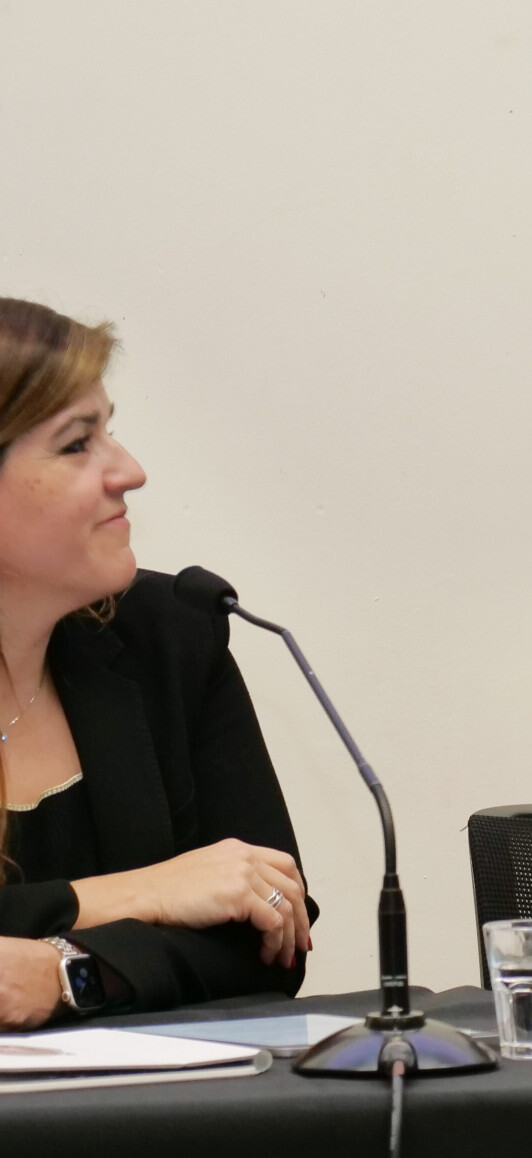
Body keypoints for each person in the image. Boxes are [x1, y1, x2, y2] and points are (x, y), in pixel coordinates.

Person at [0, 299, 314, 1030]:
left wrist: (65, 974)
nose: (130, 472)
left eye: (111, 429)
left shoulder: (170, 636)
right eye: (79, 444)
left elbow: (269, 935)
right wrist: (137, 895)